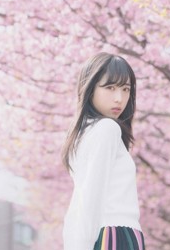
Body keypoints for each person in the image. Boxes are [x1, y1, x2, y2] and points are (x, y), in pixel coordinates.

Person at [62, 52, 145, 250]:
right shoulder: (107, 129)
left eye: (126, 89)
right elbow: (92, 194)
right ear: (90, 88)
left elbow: (80, 200)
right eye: (110, 88)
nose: (119, 98)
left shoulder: (84, 133)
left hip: (102, 235)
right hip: (116, 235)